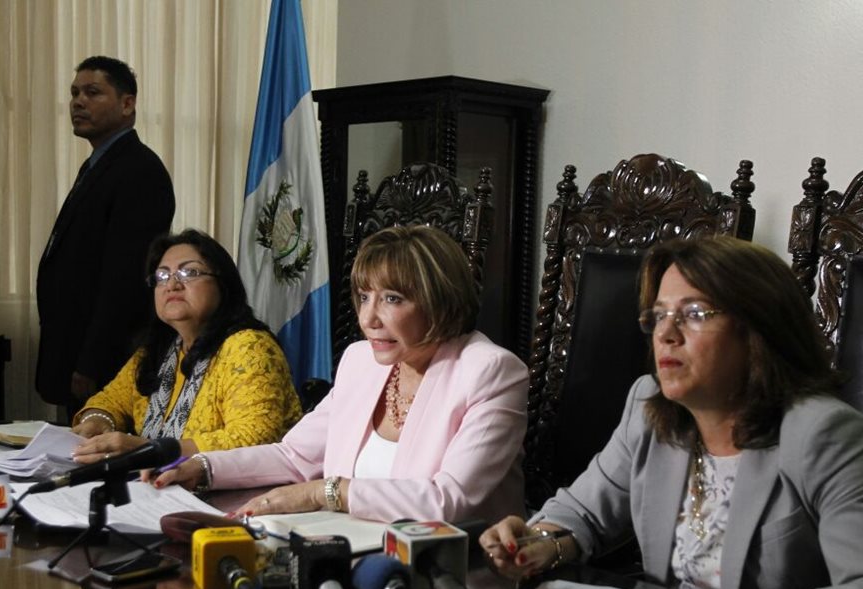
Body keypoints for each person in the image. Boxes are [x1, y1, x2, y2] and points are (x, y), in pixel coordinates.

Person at [481, 236, 863, 589]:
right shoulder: (649, 408)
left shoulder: (823, 433)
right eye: (658, 316)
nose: (666, 334)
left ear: (757, 329)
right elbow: (582, 513)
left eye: (694, 313)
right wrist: (537, 541)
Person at [155, 224, 528, 525]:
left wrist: (325, 492)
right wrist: (203, 468)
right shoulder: (360, 361)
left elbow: (449, 502)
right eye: (364, 297)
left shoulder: (490, 372)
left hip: (459, 575)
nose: (368, 319)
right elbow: (294, 456)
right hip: (355, 559)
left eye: (392, 299)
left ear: (440, 301)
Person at [69, 229, 301, 462]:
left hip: (239, 491)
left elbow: (254, 440)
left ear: (223, 285)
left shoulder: (250, 347)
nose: (172, 285)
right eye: (161, 276)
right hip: (161, 486)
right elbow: (109, 401)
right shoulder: (158, 350)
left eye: (189, 272)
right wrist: (98, 421)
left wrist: (149, 450)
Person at [36, 55, 176, 417]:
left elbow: (124, 279)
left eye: (93, 92)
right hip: (76, 351)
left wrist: (91, 361)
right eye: (75, 93)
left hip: (104, 362)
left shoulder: (139, 170)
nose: (78, 102)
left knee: (98, 460)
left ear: (127, 104)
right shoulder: (98, 164)